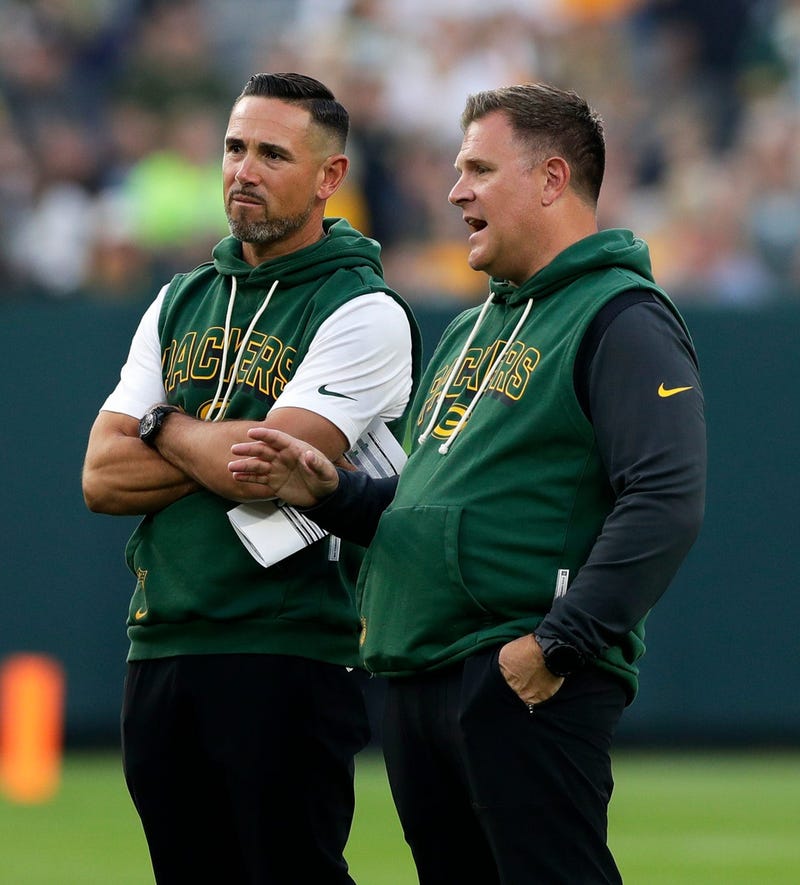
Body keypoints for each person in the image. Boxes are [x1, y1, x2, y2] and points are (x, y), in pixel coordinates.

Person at [227, 83, 707, 884]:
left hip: (517, 673)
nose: (455, 192)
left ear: (552, 180)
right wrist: (333, 494)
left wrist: (558, 644)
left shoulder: (622, 315)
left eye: (479, 169)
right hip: (421, 676)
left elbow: (666, 498)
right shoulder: (468, 326)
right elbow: (424, 507)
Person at [82, 72, 422, 885]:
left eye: (273, 153)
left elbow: (266, 468)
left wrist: (162, 424)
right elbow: (99, 472)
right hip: (161, 640)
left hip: (287, 645)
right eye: (235, 147)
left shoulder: (364, 308)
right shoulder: (180, 297)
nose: (244, 169)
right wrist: (211, 447)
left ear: (329, 177)